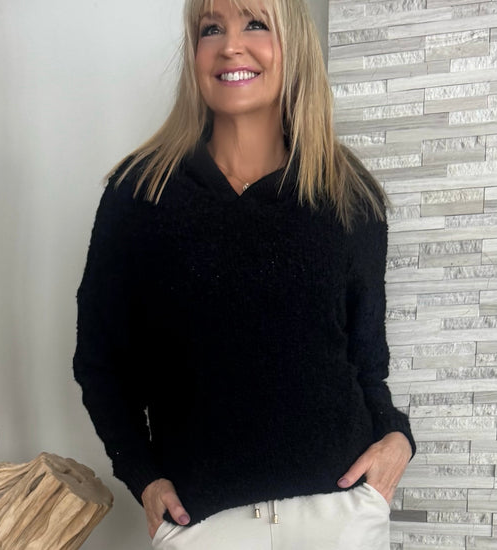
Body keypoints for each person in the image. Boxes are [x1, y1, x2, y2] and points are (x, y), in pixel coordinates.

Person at [72, 0, 416, 548]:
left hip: (339, 514)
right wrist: (141, 474)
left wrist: (396, 437)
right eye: (212, 28)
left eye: (256, 23)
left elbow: (367, 362)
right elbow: (100, 361)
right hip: (203, 522)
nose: (231, 45)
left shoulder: (347, 194)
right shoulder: (140, 194)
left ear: (293, 44)